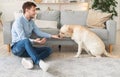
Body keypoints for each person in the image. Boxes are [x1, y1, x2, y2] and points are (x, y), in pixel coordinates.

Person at [11, 1, 60, 71]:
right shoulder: (18, 22)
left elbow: (39, 32)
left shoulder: (31, 22)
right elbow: (23, 38)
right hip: (17, 48)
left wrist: (52, 36)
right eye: (33, 10)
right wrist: (35, 41)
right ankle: (39, 62)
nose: (35, 12)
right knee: (25, 40)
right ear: (27, 10)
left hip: (28, 48)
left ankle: (31, 60)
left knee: (49, 49)